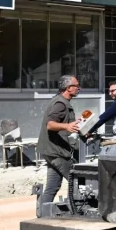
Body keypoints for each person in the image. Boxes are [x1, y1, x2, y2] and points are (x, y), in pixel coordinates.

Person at [37, 75, 82, 217]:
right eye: (76, 86)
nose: (79, 88)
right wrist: (67, 126)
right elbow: (50, 124)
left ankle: (42, 214)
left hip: (51, 150)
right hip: (57, 152)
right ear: (68, 88)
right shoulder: (60, 104)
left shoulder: (61, 102)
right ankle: (77, 213)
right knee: (76, 182)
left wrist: (76, 124)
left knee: (52, 186)